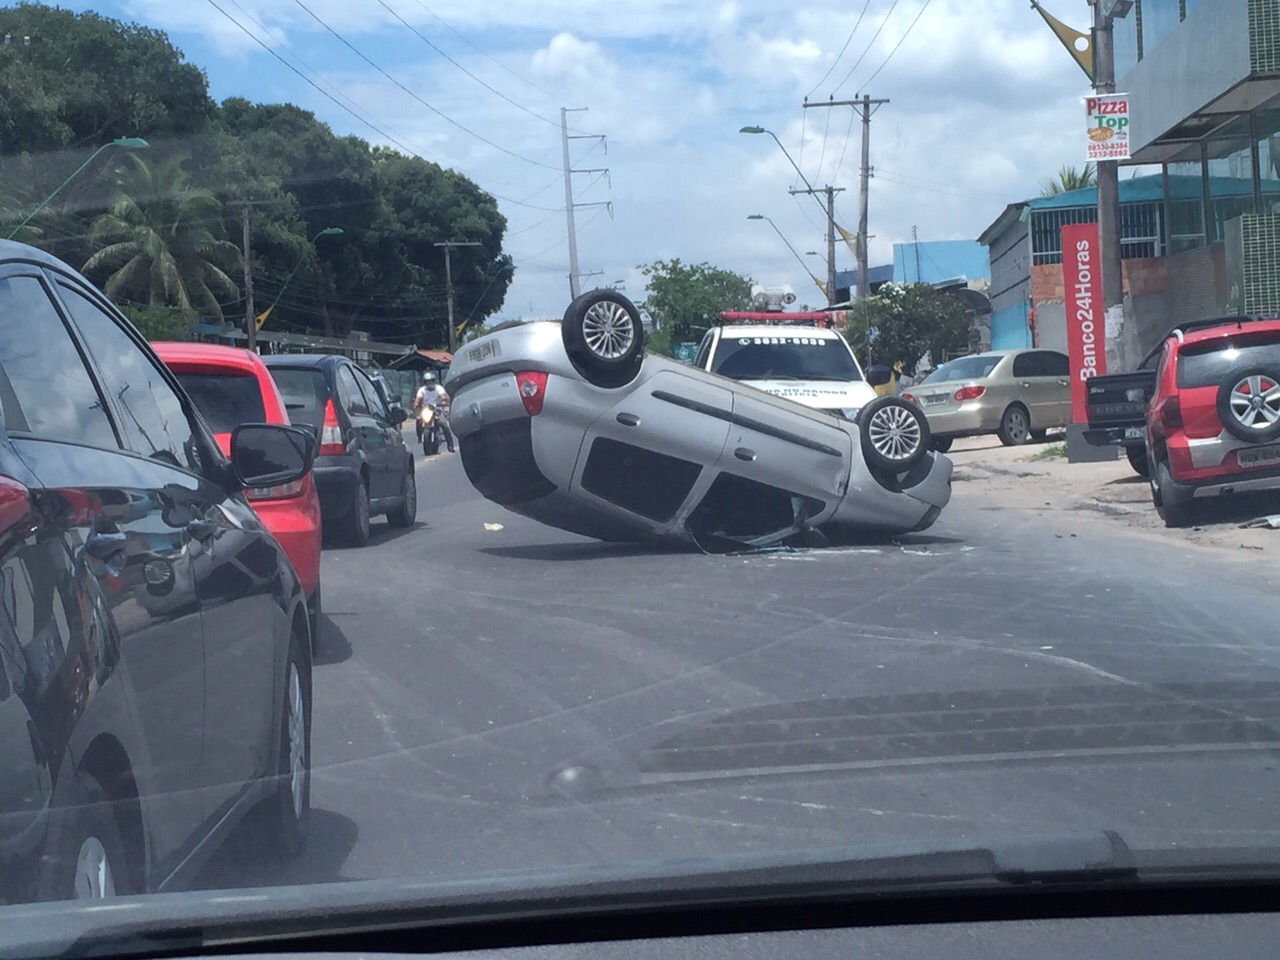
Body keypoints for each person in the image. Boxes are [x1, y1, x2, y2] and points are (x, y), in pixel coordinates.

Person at [413, 370, 454, 453]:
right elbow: (418, 398)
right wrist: (416, 404)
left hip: (437, 409)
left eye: (430, 381)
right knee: (418, 421)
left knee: (443, 424)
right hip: (426, 410)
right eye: (427, 382)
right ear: (425, 382)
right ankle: (420, 436)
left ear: (433, 381)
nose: (429, 383)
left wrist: (442, 401)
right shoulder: (422, 390)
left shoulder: (439, 388)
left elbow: (442, 396)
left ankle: (450, 445)